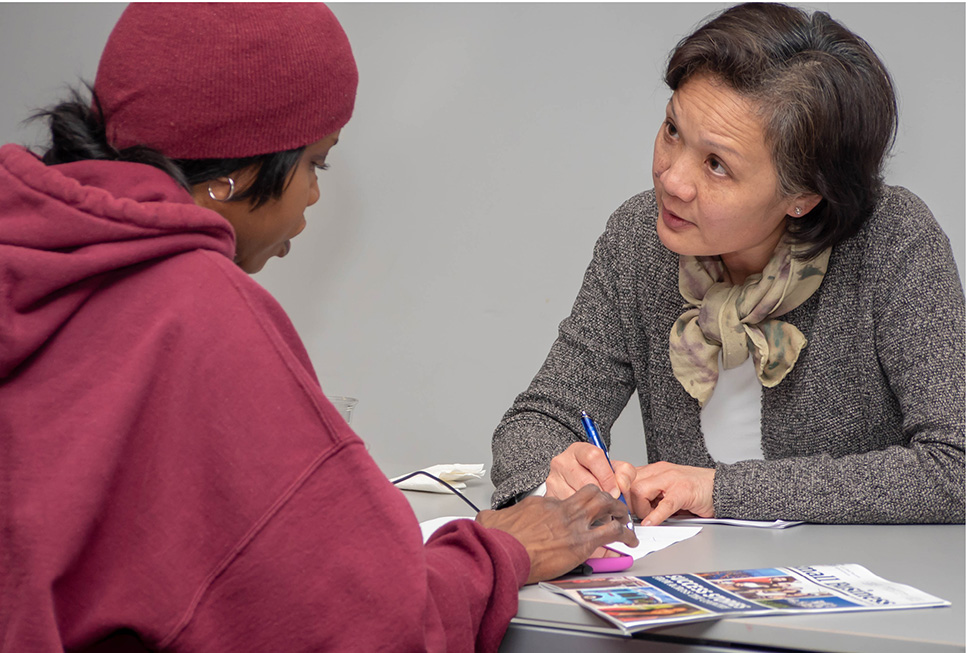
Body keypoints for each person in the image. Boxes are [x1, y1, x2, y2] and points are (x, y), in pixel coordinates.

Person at [0, 4, 637, 651]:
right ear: (235, 172)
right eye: (316, 164)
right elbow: (370, 623)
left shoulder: (33, 259)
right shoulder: (198, 306)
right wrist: (505, 549)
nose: (312, 195)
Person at [490, 2, 965, 526]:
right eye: (672, 130)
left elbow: (956, 467)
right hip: (691, 586)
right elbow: (537, 420)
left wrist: (722, 490)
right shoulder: (639, 240)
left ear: (802, 196)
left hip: (869, 593)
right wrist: (556, 477)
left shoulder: (892, 241)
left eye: (716, 164)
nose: (672, 179)